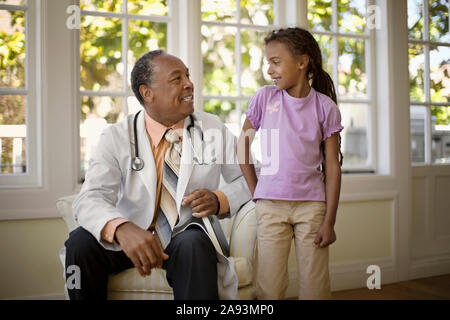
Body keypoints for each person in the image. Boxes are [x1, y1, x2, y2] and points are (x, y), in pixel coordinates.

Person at [64, 50, 251, 300]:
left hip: (183, 238)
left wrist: (220, 199)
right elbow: (90, 198)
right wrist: (121, 228)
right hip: (129, 242)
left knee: (194, 243)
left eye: (188, 75)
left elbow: (254, 178)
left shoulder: (212, 128)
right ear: (147, 93)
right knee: (79, 242)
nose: (189, 84)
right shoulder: (116, 137)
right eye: (177, 79)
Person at [237, 27, 344, 300]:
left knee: (315, 286)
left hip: (312, 208)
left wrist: (329, 220)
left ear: (301, 61)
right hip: (270, 206)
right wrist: (256, 193)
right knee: (270, 287)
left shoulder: (325, 107)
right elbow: (242, 147)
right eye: (267, 63)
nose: (270, 70)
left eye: (276, 61)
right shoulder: (264, 98)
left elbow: (332, 167)